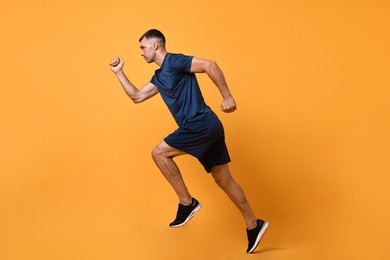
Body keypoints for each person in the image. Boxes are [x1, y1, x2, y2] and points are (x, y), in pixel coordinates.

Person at [109, 29, 268, 253]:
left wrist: (227, 96)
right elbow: (137, 96)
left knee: (159, 153)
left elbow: (210, 65)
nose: (141, 53)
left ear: (155, 46)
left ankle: (187, 203)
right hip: (207, 126)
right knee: (224, 180)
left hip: (200, 123)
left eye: (143, 48)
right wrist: (119, 72)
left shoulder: (175, 61)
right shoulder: (159, 76)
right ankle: (253, 224)